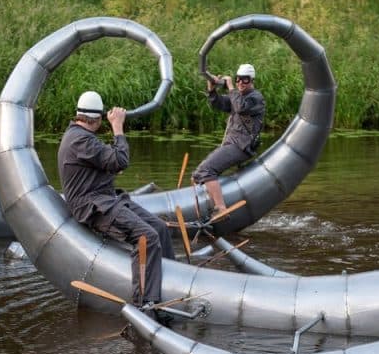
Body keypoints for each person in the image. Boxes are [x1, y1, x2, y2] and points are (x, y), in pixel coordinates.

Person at [58, 90, 174, 319]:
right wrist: (118, 128)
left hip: (107, 199)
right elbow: (120, 160)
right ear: (99, 119)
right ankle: (146, 304)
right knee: (145, 238)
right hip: (93, 207)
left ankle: (172, 285)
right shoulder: (80, 139)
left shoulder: (81, 136)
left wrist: (111, 161)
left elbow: (112, 162)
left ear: (79, 115)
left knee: (160, 228)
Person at [191, 63, 266, 214]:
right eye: (237, 79)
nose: (240, 83)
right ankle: (206, 210)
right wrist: (212, 89)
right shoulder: (237, 97)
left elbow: (240, 107)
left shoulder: (255, 98)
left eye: (244, 80)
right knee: (196, 176)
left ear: (251, 80)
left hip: (242, 145)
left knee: (206, 170)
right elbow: (218, 103)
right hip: (232, 144)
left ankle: (221, 208)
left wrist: (231, 87)